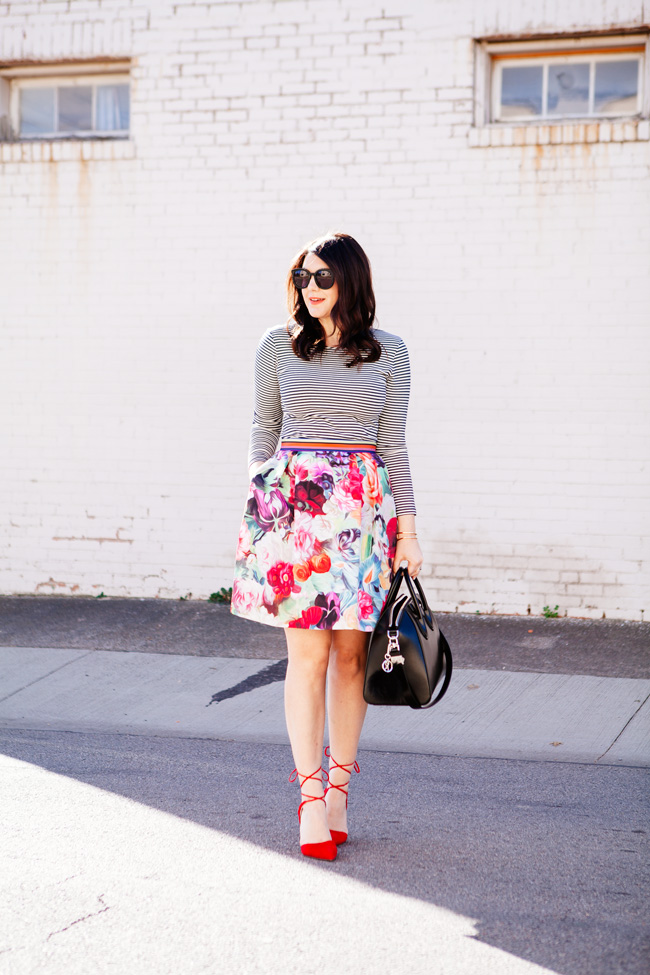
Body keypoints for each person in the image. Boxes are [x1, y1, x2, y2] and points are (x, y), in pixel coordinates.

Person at [231, 231, 422, 861]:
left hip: (362, 521)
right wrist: (266, 511)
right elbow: (263, 431)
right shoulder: (276, 345)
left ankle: (340, 787)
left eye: (322, 278)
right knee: (306, 659)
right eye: (302, 278)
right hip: (296, 521)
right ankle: (309, 798)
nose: (310, 289)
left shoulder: (390, 354)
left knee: (348, 660)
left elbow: (393, 445)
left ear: (350, 281)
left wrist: (408, 531)